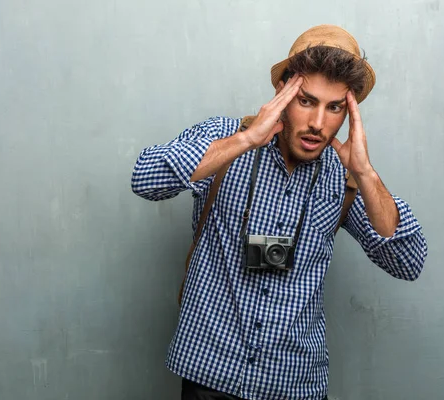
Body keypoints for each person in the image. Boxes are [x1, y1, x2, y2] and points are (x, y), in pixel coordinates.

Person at [131, 24, 427, 400]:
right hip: (211, 373)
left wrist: (364, 172)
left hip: (293, 383)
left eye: (334, 107)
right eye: (306, 101)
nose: (318, 123)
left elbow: (408, 262)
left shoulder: (345, 177)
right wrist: (246, 140)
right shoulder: (227, 138)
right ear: (282, 92)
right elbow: (144, 178)